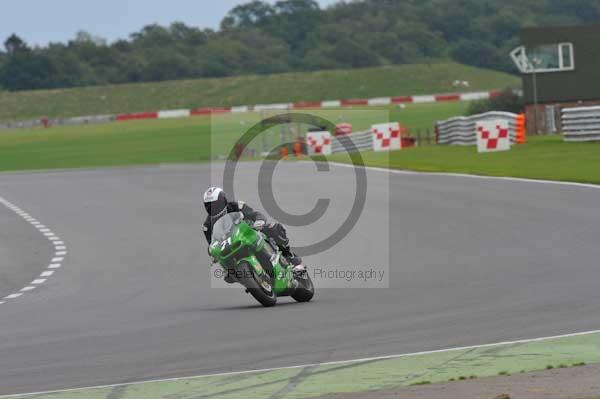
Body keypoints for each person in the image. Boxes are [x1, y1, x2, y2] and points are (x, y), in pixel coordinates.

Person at [203, 187, 304, 282]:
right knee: (223, 262)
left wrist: (259, 221)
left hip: (251, 232)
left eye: (216, 204)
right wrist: (211, 252)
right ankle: (238, 274)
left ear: (224, 200)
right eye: (209, 206)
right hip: (232, 244)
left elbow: (254, 214)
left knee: (274, 228)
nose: (214, 208)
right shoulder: (207, 226)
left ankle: (290, 257)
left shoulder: (236, 206)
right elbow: (212, 244)